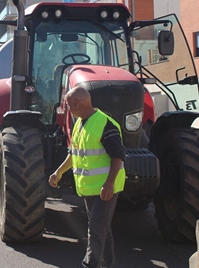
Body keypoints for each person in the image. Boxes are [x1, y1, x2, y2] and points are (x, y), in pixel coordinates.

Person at [48, 86, 126, 268]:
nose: (67, 110)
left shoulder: (105, 124)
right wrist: (58, 172)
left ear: (76, 103)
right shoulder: (79, 125)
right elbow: (74, 154)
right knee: (102, 231)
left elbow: (118, 156)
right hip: (90, 188)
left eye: (68, 106)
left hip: (105, 189)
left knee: (95, 231)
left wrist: (109, 184)